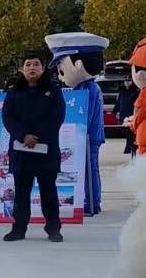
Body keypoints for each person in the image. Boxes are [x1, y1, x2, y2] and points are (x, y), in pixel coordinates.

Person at [1, 50, 67, 243]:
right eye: (28, 64)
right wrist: (24, 136)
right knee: (21, 194)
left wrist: (36, 136)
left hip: (46, 152)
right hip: (21, 152)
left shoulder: (53, 90)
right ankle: (18, 229)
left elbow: (57, 116)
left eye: (36, 64)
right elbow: (7, 118)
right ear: (21, 68)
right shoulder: (13, 92)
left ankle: (53, 229)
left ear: (43, 68)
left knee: (49, 192)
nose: (32, 68)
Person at [46, 31, 109, 216]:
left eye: (62, 70)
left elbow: (84, 117)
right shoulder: (86, 87)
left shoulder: (87, 89)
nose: (60, 75)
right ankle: (91, 200)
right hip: (88, 136)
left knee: (89, 169)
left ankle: (91, 202)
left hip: (87, 137)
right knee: (89, 168)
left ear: (78, 64)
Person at [115, 79, 140, 156]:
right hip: (123, 114)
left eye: (129, 81)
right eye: (126, 81)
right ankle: (131, 147)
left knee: (130, 132)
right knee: (126, 132)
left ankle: (129, 148)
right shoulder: (122, 91)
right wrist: (115, 111)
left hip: (131, 114)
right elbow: (119, 102)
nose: (127, 82)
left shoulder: (135, 91)